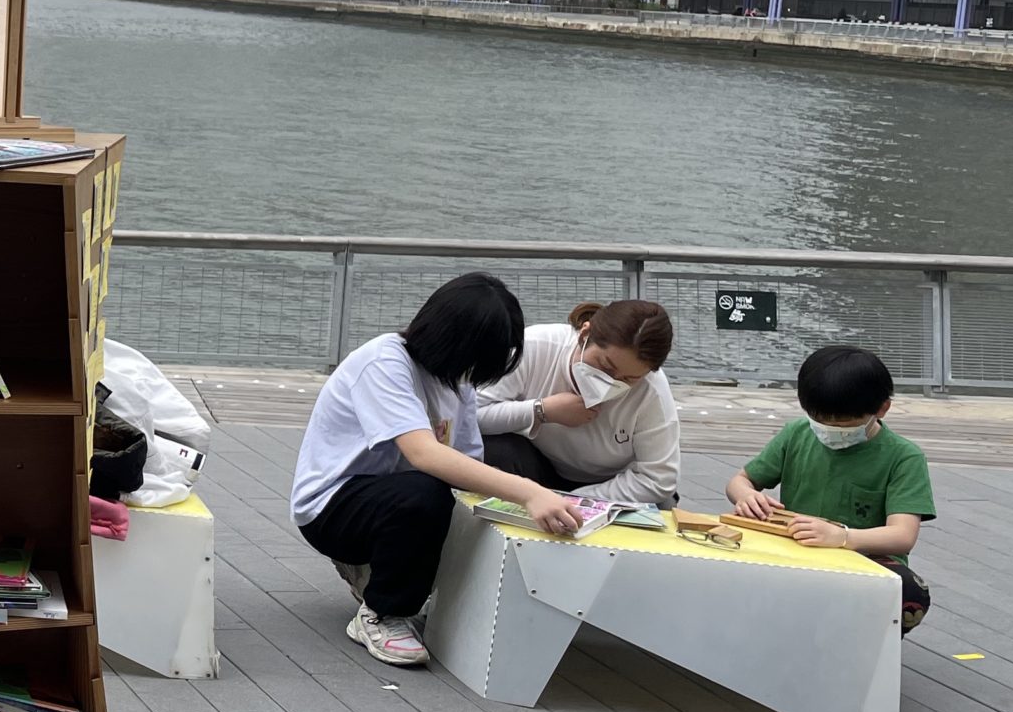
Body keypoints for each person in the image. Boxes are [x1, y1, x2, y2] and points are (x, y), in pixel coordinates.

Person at [292, 273, 584, 667]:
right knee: (424, 491)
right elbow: (424, 454)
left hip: (391, 498)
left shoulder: (456, 380)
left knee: (476, 482)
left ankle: (400, 578)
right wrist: (530, 492)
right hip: (332, 507)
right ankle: (382, 613)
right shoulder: (384, 362)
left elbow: (467, 463)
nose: (480, 372)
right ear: (456, 341)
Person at [726, 344, 936, 635]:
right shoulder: (797, 434)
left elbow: (902, 535)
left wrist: (842, 537)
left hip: (861, 556)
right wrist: (747, 496)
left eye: (845, 424)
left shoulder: (903, 457)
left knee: (909, 592)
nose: (830, 429)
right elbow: (740, 480)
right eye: (821, 420)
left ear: (882, 409)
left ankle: (864, 644)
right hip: (792, 547)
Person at [475, 299, 680, 506]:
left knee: (663, 506)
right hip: (537, 467)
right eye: (605, 367)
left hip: (610, 484)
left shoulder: (652, 391)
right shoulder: (537, 346)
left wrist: (571, 501)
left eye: (628, 379)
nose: (611, 383)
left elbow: (658, 479)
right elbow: (472, 415)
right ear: (584, 335)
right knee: (495, 448)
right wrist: (541, 410)